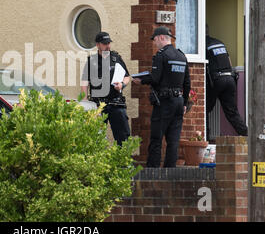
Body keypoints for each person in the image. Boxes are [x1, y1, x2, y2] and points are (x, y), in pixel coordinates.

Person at [132, 26, 190, 168]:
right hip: (178, 101)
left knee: (156, 138)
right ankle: (170, 172)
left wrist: (141, 80)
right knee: (173, 141)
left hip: (164, 102)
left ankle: (153, 173)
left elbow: (156, 78)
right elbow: (187, 83)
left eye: (155, 40)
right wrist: (184, 103)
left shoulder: (161, 55)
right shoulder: (182, 56)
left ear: (162, 37)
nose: (154, 43)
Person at [81, 31, 131, 146]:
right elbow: (84, 83)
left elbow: (127, 77)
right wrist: (84, 104)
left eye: (109, 43)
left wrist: (122, 85)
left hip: (116, 104)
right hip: (98, 106)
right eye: (104, 43)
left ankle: (123, 163)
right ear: (97, 45)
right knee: (94, 138)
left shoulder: (116, 58)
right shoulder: (91, 61)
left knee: (123, 137)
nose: (108, 46)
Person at [205, 25, 248, 139]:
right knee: (232, 112)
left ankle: (205, 137)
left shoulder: (202, 45)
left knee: (205, 108)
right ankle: (246, 134)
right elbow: (229, 62)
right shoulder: (219, 43)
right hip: (230, 78)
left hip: (216, 79)